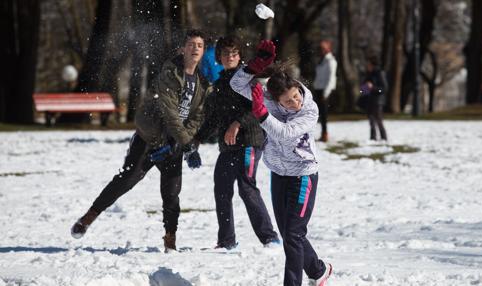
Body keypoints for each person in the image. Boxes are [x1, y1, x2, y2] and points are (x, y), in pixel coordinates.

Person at [70, 29, 212, 252]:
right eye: (191, 44)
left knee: (172, 193)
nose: (195, 48)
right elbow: (170, 114)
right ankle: (89, 216)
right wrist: (184, 143)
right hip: (150, 137)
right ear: (183, 49)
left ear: (203, 51)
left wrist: (182, 143)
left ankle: (170, 239)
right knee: (127, 180)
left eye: (200, 45)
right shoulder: (170, 72)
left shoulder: (203, 83)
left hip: (174, 142)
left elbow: (198, 116)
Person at [230, 40, 332, 286]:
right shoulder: (269, 100)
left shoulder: (310, 110)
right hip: (278, 172)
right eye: (288, 101)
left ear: (298, 87)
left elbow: (286, 133)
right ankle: (318, 271)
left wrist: (262, 115)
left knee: (294, 234)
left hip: (304, 175)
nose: (294, 102)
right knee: (288, 233)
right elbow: (236, 83)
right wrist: (255, 66)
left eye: (296, 96)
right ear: (276, 100)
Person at [196, 35, 279, 250]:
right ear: (218, 58)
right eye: (225, 54)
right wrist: (196, 139)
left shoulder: (248, 78)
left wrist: (237, 123)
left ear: (240, 56)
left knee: (246, 186)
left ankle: (269, 238)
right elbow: (212, 118)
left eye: (234, 53)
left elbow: (258, 108)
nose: (229, 57)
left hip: (250, 141)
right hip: (228, 146)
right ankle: (226, 241)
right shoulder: (219, 83)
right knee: (221, 189)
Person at [312, 39, 337, 142]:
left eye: (323, 48)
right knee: (319, 114)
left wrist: (326, 93)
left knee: (324, 114)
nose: (321, 50)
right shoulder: (322, 61)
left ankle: (325, 133)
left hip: (325, 90)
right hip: (318, 88)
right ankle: (322, 133)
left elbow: (331, 78)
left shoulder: (331, 61)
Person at [362, 55, 388, 141]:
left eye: (368, 63)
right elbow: (363, 90)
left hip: (378, 101)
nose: (366, 65)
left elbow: (384, 89)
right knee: (371, 121)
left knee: (379, 120)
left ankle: (383, 137)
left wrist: (372, 88)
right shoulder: (368, 74)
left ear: (372, 64)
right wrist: (363, 89)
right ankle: (373, 138)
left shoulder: (380, 73)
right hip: (369, 100)